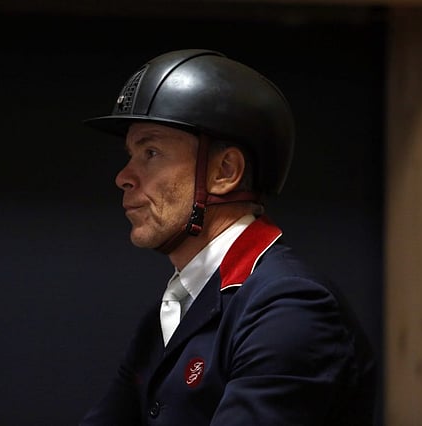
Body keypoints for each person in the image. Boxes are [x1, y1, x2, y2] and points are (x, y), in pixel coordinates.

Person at [79, 49, 376, 425]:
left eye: (151, 152)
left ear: (225, 171)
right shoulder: (167, 315)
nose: (123, 176)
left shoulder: (290, 307)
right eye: (131, 155)